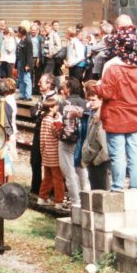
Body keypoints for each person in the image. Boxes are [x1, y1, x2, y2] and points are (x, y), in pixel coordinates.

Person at [93, 16, 137, 191]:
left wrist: (97, 87)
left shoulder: (112, 67)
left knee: (117, 153)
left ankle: (117, 186)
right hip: (134, 115)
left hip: (115, 117)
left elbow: (106, 93)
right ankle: (135, 185)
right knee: (134, 151)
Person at [58, 77, 88, 207]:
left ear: (68, 89)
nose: (61, 89)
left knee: (68, 170)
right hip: (83, 139)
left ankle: (76, 201)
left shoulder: (63, 104)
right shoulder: (85, 103)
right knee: (81, 168)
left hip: (67, 139)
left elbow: (58, 122)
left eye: (63, 86)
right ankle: (86, 197)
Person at [30, 73, 58, 196]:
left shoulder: (55, 99)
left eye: (41, 82)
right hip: (38, 133)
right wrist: (38, 113)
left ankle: (50, 190)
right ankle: (35, 188)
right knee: (35, 161)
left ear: (49, 84)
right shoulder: (42, 98)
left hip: (49, 135)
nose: (38, 84)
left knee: (50, 163)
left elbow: (41, 116)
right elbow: (33, 112)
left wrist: (39, 113)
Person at [81, 80, 111, 190]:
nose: (90, 103)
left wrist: (96, 161)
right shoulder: (92, 115)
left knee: (101, 192)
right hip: (92, 162)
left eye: (93, 100)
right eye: (89, 100)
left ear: (102, 100)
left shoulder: (102, 120)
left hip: (99, 164)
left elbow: (106, 149)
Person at [38, 98, 66, 209]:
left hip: (46, 152)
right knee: (58, 178)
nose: (57, 107)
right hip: (54, 153)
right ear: (51, 107)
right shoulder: (52, 121)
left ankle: (42, 197)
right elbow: (58, 133)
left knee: (47, 177)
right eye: (56, 106)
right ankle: (58, 201)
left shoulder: (44, 120)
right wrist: (59, 121)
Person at [16, 23, 34, 101]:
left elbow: (30, 54)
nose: (16, 33)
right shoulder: (21, 40)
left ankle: (28, 95)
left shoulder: (28, 41)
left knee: (27, 79)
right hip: (20, 61)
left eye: (18, 32)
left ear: (21, 33)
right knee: (21, 79)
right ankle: (22, 94)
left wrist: (28, 65)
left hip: (25, 63)